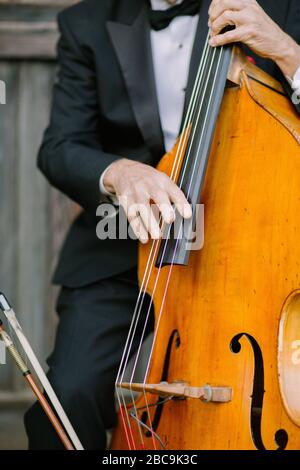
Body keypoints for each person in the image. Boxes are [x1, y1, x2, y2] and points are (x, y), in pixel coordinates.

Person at [24, 0, 300, 450]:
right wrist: (117, 172)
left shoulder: (275, 7)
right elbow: (59, 147)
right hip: (123, 241)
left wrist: (290, 54)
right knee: (68, 396)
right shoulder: (85, 23)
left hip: (255, 251)